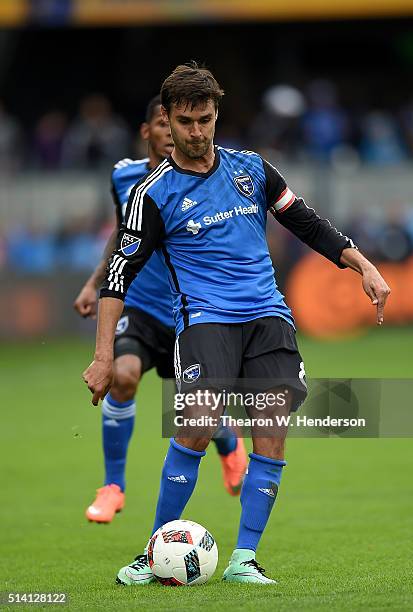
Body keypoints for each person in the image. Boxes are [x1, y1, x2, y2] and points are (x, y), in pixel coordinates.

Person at [83, 64, 390, 584]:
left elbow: (305, 221)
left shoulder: (251, 169)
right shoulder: (151, 194)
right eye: (186, 122)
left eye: (206, 119)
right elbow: (120, 275)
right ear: (167, 119)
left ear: (216, 115)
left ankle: (244, 560)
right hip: (205, 320)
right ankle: (153, 554)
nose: (197, 132)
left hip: (269, 318)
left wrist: (362, 263)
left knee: (271, 433)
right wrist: (103, 355)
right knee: (197, 424)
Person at [75, 95, 246, 524]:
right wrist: (95, 284)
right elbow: (122, 237)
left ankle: (227, 442)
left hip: (189, 312)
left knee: (194, 414)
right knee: (124, 375)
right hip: (143, 307)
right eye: (164, 125)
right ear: (147, 131)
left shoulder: (203, 179)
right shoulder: (126, 179)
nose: (173, 133)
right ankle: (113, 485)